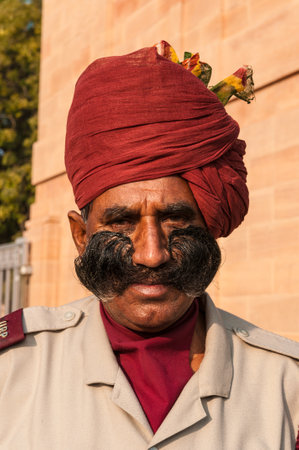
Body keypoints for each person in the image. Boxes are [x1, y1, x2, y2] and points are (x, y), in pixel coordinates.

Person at [0, 42, 298, 449]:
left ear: (209, 225)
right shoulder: (12, 368)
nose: (151, 254)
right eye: (121, 223)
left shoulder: (286, 386)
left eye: (176, 219)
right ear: (81, 236)